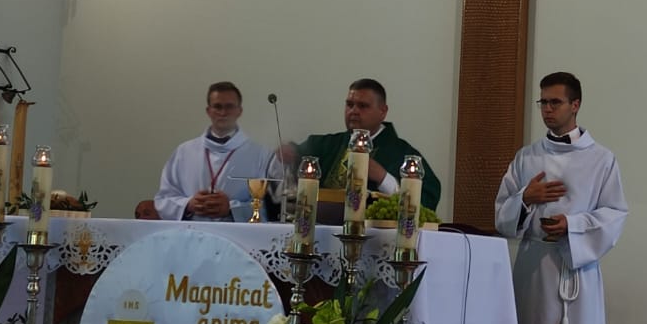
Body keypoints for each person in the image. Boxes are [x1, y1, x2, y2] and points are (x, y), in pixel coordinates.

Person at [493, 71, 627, 324]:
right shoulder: (526, 158)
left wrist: (572, 226)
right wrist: (526, 198)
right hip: (533, 271)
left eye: (555, 102)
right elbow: (501, 215)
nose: (547, 110)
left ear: (575, 105)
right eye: (543, 102)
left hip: (575, 272)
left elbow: (615, 214)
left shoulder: (601, 159)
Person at [284, 79, 441, 211]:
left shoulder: (403, 154)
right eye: (349, 104)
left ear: (383, 111)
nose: (354, 111)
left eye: (363, 106)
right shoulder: (324, 144)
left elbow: (427, 200)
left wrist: (383, 178)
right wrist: (286, 156)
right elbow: (287, 172)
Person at [154, 82, 275, 221]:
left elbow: (271, 208)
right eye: (217, 106)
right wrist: (188, 204)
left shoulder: (260, 155)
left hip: (236, 233)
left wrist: (231, 209)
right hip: (191, 231)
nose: (223, 113)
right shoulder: (184, 153)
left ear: (239, 111)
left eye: (229, 106)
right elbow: (163, 199)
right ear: (208, 111)